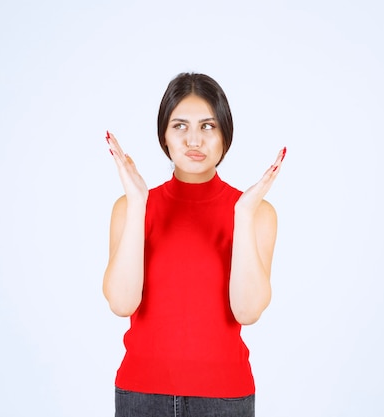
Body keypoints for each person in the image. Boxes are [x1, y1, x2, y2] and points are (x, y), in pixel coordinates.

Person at [103, 72, 285, 417]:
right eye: (180, 126)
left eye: (207, 126)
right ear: (164, 137)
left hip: (225, 399)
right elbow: (121, 303)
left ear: (225, 135)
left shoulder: (257, 214)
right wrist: (139, 204)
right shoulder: (130, 207)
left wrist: (242, 215)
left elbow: (247, 312)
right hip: (140, 396)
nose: (193, 140)